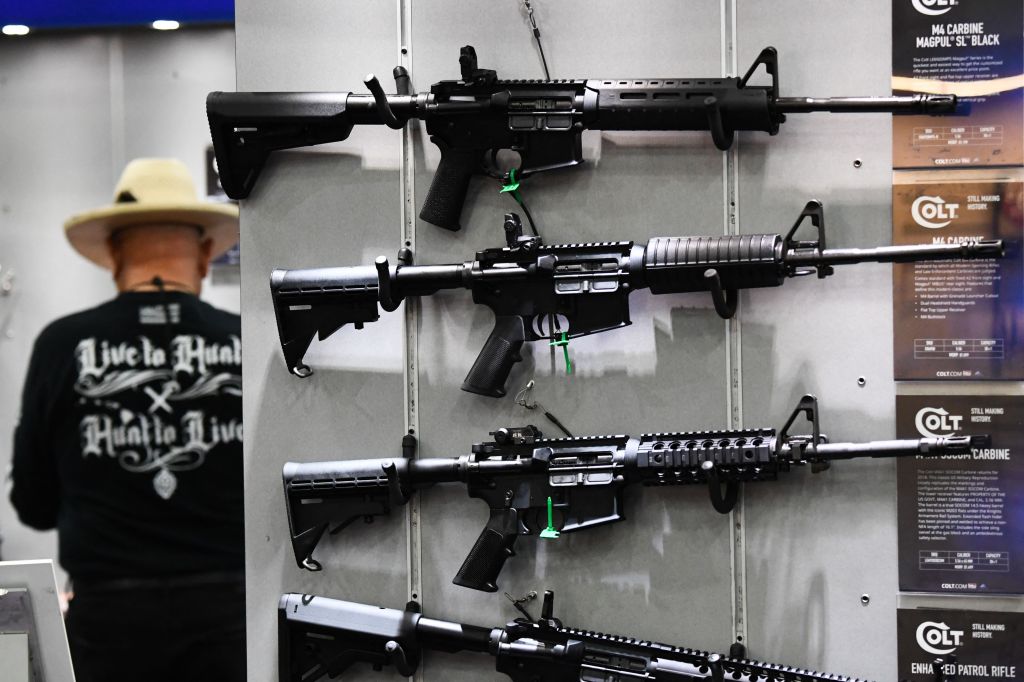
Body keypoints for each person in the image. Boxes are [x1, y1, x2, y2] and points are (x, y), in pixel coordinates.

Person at [9, 158, 245, 682]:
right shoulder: (242, 340)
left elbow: (33, 503)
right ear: (206, 254)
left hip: (108, 619)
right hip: (230, 615)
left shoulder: (61, 344)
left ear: (114, 254)